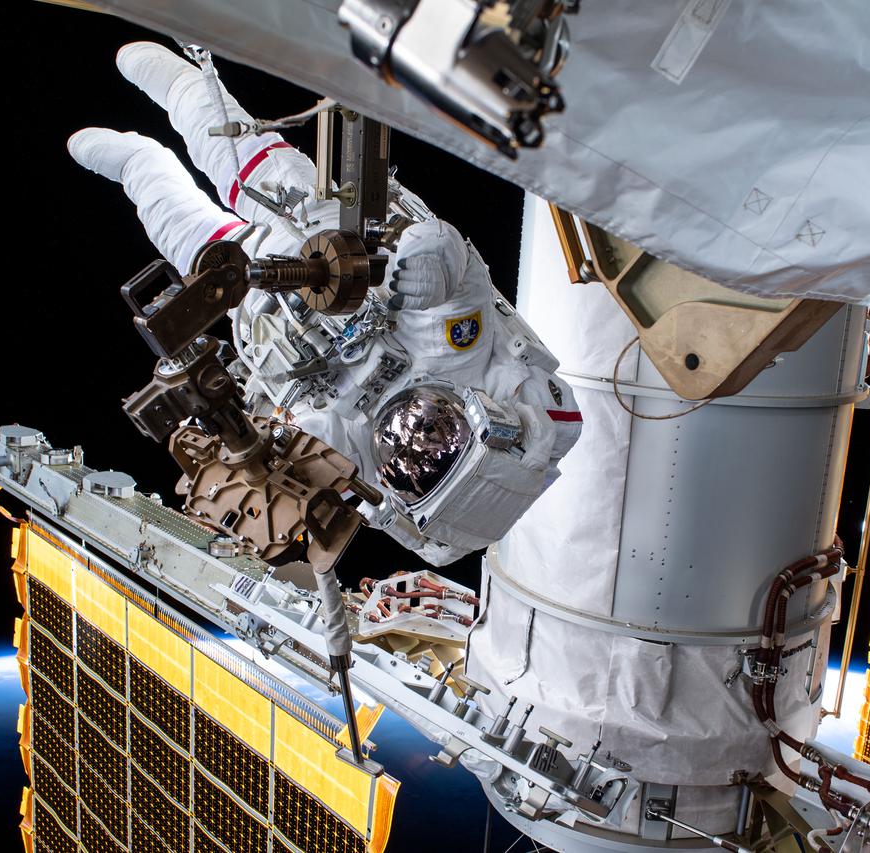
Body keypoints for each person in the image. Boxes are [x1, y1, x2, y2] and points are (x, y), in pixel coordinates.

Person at [68, 42, 581, 565]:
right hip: (317, 237)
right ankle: (179, 85)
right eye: (439, 442)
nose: (414, 445)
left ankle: (139, 163)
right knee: (234, 155)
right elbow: (451, 264)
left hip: (265, 317)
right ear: (479, 420)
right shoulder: (459, 355)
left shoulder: (356, 460)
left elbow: (288, 447)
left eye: (411, 470)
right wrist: (428, 266)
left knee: (181, 230)